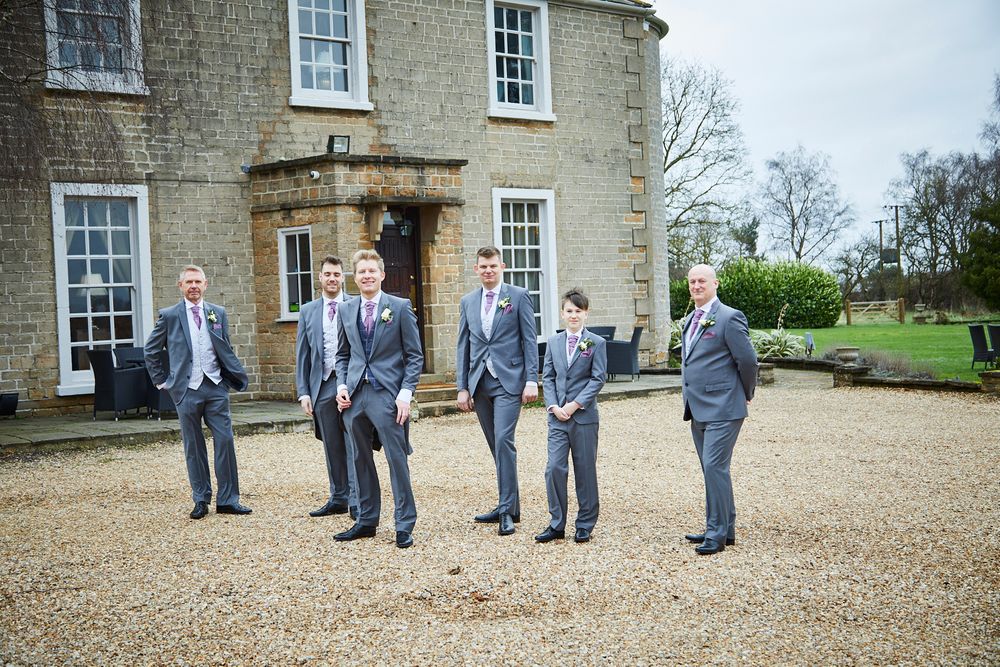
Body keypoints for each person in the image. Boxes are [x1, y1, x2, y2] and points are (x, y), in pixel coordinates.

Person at [144, 265, 250, 520]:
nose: (194, 286)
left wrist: (227, 379)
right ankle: (201, 499)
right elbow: (151, 350)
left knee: (225, 440)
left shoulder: (217, 313)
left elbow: (225, 346)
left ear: (205, 284)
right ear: (180, 286)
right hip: (186, 390)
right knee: (194, 446)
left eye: (198, 281)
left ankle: (228, 499)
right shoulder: (169, 315)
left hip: (215, 387)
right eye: (189, 282)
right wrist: (162, 382)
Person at [334, 249, 423, 549]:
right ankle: (366, 520)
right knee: (359, 459)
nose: (367, 276)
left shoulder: (399, 307)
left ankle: (404, 524)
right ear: (355, 277)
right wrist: (341, 385)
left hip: (388, 396)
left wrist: (405, 394)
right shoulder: (346, 309)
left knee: (397, 460)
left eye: (372, 271)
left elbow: (414, 356)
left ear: (382, 275)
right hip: (354, 397)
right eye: (362, 271)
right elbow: (342, 355)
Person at [455, 246, 538, 536]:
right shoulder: (468, 301)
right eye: (483, 266)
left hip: (509, 381)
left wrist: (531, 380)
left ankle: (505, 511)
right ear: (476, 269)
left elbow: (529, 340)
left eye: (493, 265)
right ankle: (511, 505)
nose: (488, 270)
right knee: (495, 445)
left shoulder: (518, 296)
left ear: (502, 266)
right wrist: (462, 387)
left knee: (504, 441)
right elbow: (463, 345)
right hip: (480, 383)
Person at [680, 264, 758, 555]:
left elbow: (747, 361)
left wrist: (746, 392)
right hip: (697, 407)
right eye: (692, 281)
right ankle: (726, 528)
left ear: (715, 283)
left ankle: (716, 535)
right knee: (713, 470)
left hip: (724, 406)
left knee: (714, 467)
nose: (696, 286)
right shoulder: (690, 319)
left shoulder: (729, 317)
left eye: (702, 280)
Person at [535, 289, 607, 544]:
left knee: (585, 470)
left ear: (586, 313)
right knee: (554, 468)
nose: (573, 315)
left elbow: (598, 378)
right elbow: (549, 377)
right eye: (569, 311)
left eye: (578, 311)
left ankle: (585, 524)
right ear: (562, 314)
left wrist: (575, 405)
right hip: (557, 418)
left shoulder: (596, 343)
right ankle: (557, 523)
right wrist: (554, 406)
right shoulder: (554, 342)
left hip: (583, 417)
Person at [295, 255, 358, 519]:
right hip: (321, 384)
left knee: (353, 442)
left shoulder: (355, 305)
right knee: (331, 443)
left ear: (343, 277)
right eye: (328, 274)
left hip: (352, 384)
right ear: (320, 277)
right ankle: (338, 497)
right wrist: (303, 392)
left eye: (337, 274)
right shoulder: (308, 311)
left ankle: (357, 500)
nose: (332, 279)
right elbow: (303, 354)